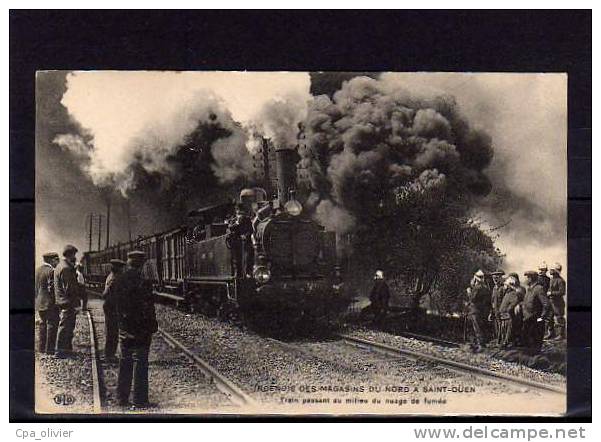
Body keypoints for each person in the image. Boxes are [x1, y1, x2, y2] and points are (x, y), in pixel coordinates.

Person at [113, 250, 158, 408]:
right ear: (142, 264)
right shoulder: (143, 282)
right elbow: (147, 307)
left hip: (124, 328)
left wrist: (121, 324)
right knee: (140, 363)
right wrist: (152, 325)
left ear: (128, 262)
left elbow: (114, 305)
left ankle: (121, 398)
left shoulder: (118, 280)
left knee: (125, 362)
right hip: (140, 330)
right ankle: (140, 400)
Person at [54, 245, 85, 358]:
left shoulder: (60, 266)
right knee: (65, 327)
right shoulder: (66, 268)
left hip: (64, 301)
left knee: (67, 327)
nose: (75, 257)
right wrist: (77, 299)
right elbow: (69, 289)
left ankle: (66, 350)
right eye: (74, 255)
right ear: (70, 254)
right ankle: (60, 351)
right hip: (67, 302)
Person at [35, 252, 60, 355]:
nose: (57, 262)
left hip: (40, 302)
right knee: (52, 325)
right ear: (51, 260)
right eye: (56, 260)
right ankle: (49, 350)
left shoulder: (37, 270)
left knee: (42, 324)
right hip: (50, 303)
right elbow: (52, 289)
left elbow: (35, 288)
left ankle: (41, 348)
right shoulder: (52, 271)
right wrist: (57, 302)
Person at [521, 270, 552, 354]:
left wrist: (542, 317)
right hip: (528, 318)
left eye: (527, 277)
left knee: (535, 339)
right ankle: (528, 357)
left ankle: (534, 358)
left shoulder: (538, 288)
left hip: (535, 319)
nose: (526, 279)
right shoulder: (530, 289)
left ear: (532, 278)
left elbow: (546, 304)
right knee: (527, 337)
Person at [103, 259, 126, 362]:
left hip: (110, 307)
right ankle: (109, 355)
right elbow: (108, 294)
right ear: (118, 268)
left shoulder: (111, 276)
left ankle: (109, 354)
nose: (123, 270)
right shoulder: (115, 279)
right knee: (112, 332)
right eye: (121, 268)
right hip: (112, 307)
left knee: (111, 331)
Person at [465, 269, 491, 353]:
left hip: (475, 311)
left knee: (476, 329)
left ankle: (477, 345)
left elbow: (472, 299)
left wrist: (469, 292)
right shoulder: (486, 288)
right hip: (481, 312)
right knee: (479, 328)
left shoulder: (477, 287)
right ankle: (477, 345)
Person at [496, 273, 523, 348]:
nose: (504, 286)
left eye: (506, 285)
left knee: (508, 331)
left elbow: (515, 302)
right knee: (504, 330)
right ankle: (504, 343)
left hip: (508, 316)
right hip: (504, 315)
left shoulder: (513, 293)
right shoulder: (508, 293)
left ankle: (507, 343)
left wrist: (509, 309)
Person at [548, 263, 566, 340]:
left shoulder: (560, 280)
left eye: (552, 269)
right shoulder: (552, 279)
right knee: (550, 317)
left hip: (558, 303)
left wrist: (551, 293)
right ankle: (551, 333)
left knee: (559, 318)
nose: (550, 271)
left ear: (555, 271)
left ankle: (561, 335)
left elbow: (562, 292)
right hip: (551, 301)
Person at [488, 270, 505, 345]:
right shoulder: (494, 288)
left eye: (497, 277)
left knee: (502, 326)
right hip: (495, 311)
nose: (495, 279)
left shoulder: (503, 288)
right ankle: (498, 341)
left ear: (501, 278)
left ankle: (502, 342)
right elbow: (492, 301)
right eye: (494, 278)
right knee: (497, 326)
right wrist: (491, 312)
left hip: (502, 311)